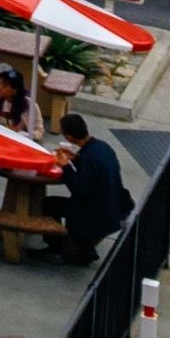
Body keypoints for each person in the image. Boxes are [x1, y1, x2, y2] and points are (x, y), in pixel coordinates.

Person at [55, 112, 134, 263]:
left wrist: (65, 167)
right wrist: (76, 158)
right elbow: (96, 173)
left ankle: (62, 248)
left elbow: (79, 191)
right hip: (115, 206)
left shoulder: (88, 158)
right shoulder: (102, 147)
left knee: (49, 204)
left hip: (94, 213)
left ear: (69, 137)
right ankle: (83, 247)